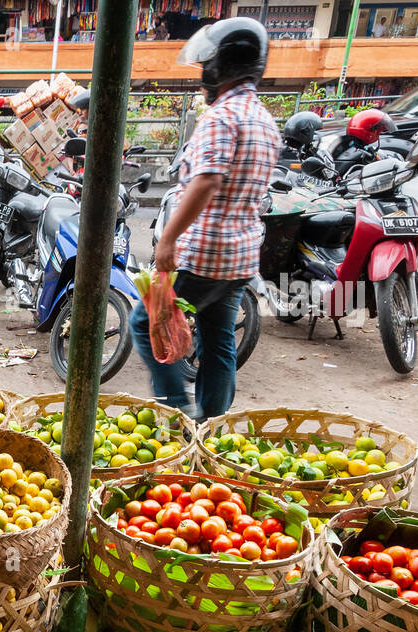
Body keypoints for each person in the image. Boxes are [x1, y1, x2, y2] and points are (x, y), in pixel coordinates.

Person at [131, 17, 280, 421]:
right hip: (240, 258)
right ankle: (211, 426)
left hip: (204, 255)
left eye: (205, 66)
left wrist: (167, 240)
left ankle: (177, 412)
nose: (202, 75)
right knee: (217, 343)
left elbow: (207, 180)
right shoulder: (266, 121)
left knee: (146, 325)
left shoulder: (221, 116)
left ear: (220, 65)